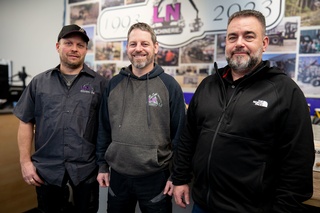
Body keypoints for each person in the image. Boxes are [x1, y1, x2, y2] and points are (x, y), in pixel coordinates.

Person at [172, 10, 315, 213]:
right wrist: (180, 178)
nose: (239, 43)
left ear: (264, 43)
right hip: (202, 205)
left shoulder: (284, 91)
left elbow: (298, 163)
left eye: (248, 36)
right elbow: (189, 137)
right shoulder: (208, 85)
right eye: (233, 37)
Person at [13, 24, 108, 213]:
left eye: (80, 45)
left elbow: (105, 129)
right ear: (58, 46)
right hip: (47, 169)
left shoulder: (101, 84)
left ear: (85, 50)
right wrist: (25, 162)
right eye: (68, 43)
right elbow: (25, 122)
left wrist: (103, 165)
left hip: (86, 170)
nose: (74, 48)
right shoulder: (39, 83)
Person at [96, 22, 186, 213]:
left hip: (155, 178)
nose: (138, 49)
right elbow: (103, 128)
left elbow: (180, 135)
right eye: (133, 44)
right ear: (127, 48)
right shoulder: (113, 84)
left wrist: (176, 176)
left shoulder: (169, 86)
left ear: (155, 47)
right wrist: (102, 166)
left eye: (144, 44)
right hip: (118, 176)